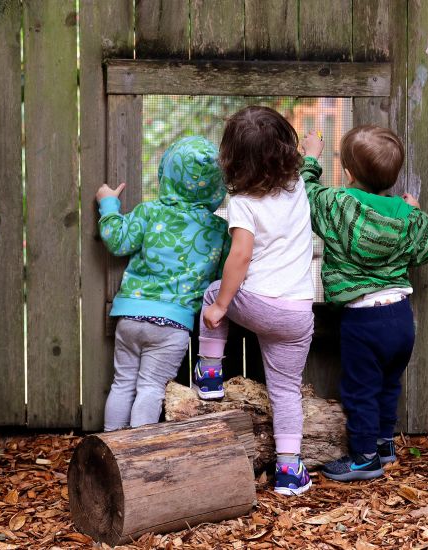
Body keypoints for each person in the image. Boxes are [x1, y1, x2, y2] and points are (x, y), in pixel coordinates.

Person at [300, 125, 428, 481]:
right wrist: (418, 213)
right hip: (399, 317)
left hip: (363, 319)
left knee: (360, 389)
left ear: (348, 173)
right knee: (388, 384)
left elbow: (304, 194)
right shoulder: (405, 214)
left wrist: (311, 157)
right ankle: (384, 444)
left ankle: (364, 458)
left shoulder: (339, 205)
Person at [195, 106, 315, 496]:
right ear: (285, 151)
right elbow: (306, 166)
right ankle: (288, 471)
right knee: (285, 391)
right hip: (297, 314)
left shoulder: (243, 203)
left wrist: (221, 305)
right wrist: (312, 152)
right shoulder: (297, 185)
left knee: (214, 293)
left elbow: (240, 256)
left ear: (232, 159)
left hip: (260, 304)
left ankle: (210, 377)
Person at [97, 136, 228, 431]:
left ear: (167, 173)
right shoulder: (219, 230)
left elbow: (117, 241)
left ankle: (110, 448)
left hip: (130, 316)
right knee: (151, 387)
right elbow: (226, 274)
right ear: (217, 185)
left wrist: (108, 203)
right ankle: (138, 455)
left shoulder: (149, 212)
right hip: (172, 325)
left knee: (122, 384)